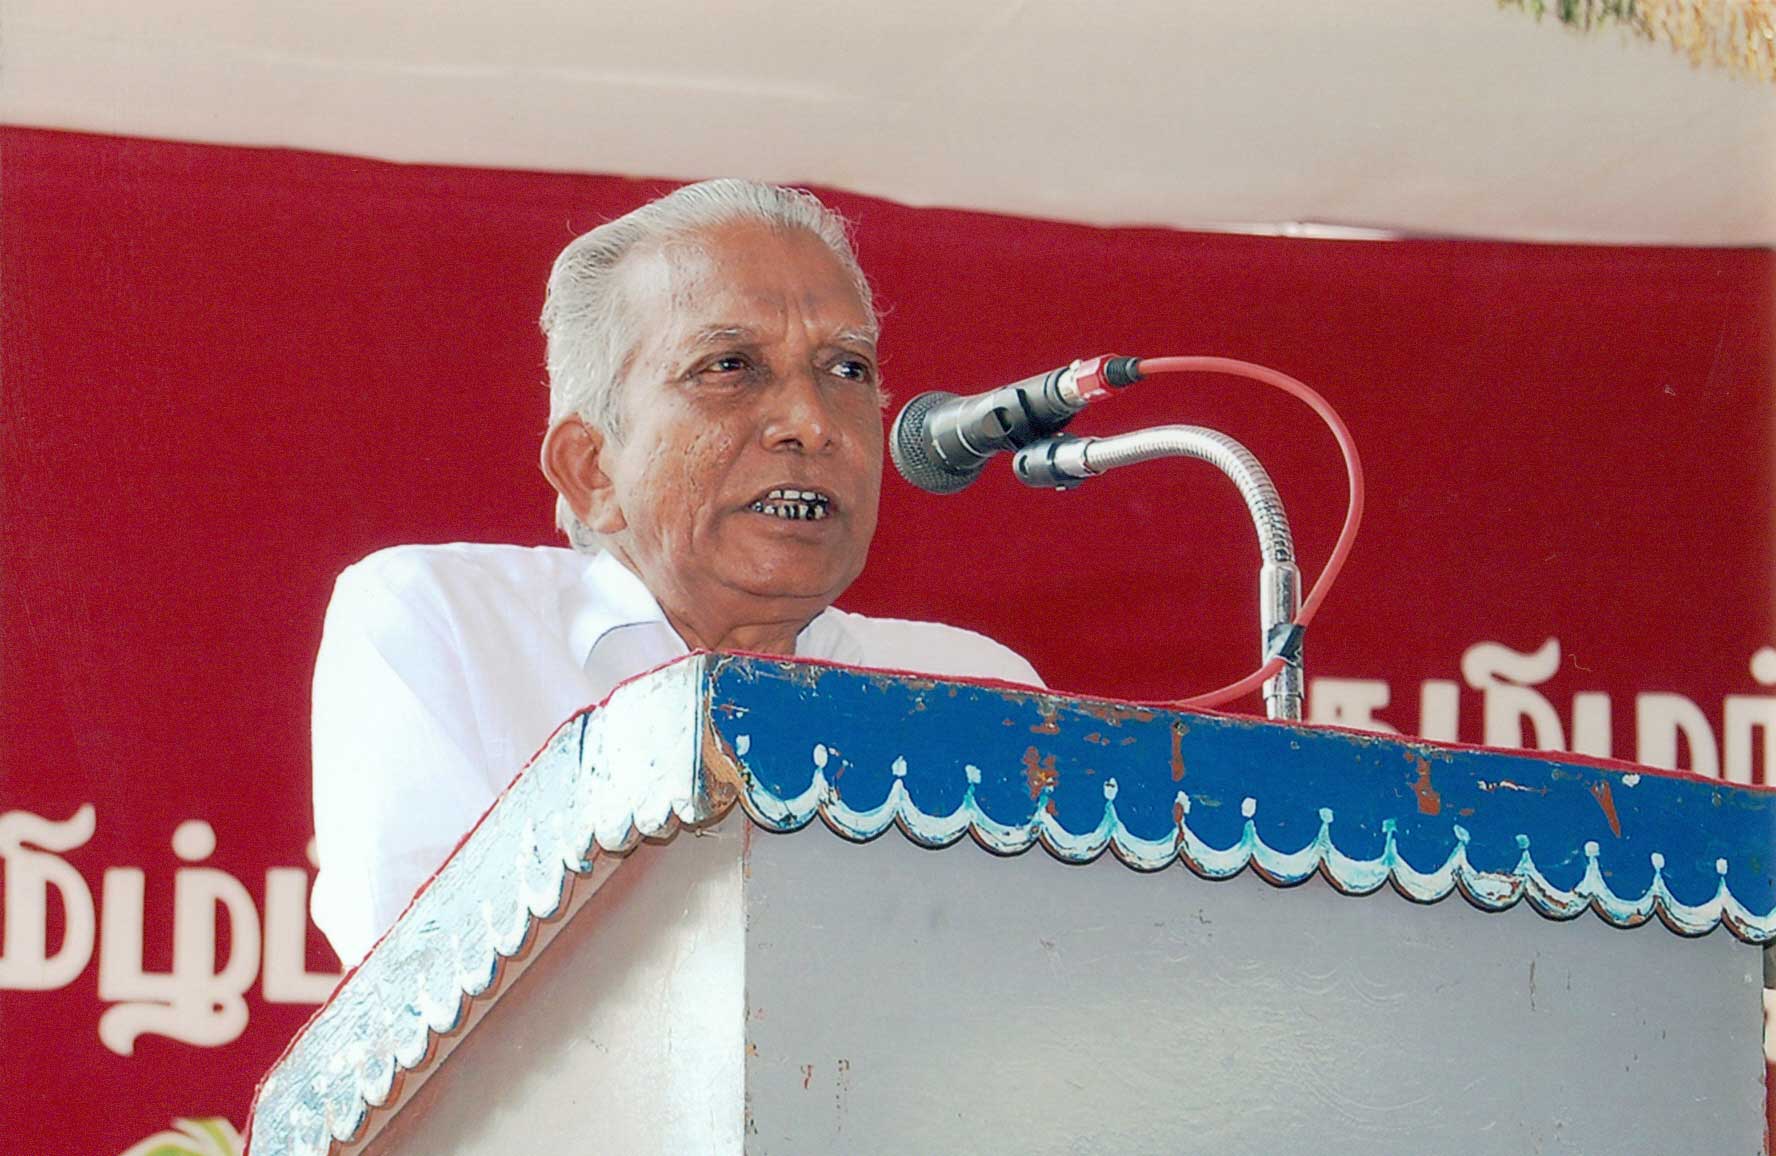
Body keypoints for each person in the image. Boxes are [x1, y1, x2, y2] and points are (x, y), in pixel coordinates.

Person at [309, 179, 1041, 965]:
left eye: (847, 369)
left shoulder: (972, 687)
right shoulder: (449, 627)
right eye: (729, 366)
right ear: (592, 468)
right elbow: (428, 984)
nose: (811, 423)